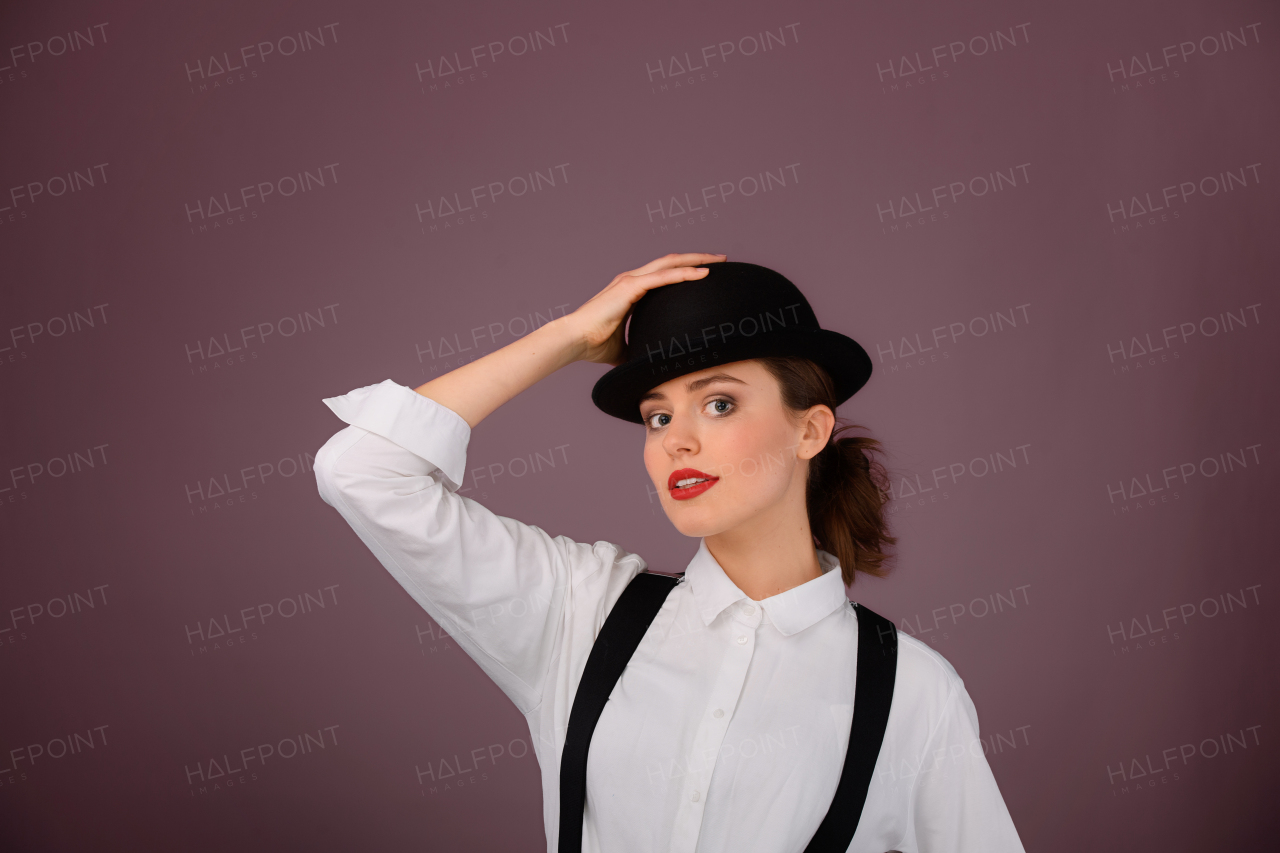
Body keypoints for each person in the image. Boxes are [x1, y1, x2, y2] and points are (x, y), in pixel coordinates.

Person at [313, 254, 1025, 853]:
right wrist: (565, 337)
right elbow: (362, 470)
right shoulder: (581, 612)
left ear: (810, 430)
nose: (676, 440)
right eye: (658, 415)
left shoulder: (914, 693)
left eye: (718, 403)